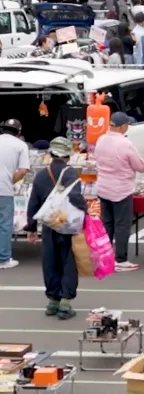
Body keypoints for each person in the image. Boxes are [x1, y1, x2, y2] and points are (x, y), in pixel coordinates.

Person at [23, 137, 85, 318]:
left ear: (50, 154)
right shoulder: (71, 173)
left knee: (50, 261)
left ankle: (52, 301)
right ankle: (65, 303)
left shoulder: (41, 175)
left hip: (49, 225)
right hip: (67, 225)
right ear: (67, 155)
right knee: (68, 262)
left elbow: (33, 201)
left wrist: (31, 227)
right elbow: (75, 198)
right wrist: (85, 212)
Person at [93, 112, 144, 272]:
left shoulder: (101, 139)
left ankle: (105, 257)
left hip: (103, 187)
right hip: (121, 189)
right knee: (122, 224)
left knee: (107, 223)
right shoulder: (125, 143)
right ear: (123, 126)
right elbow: (138, 164)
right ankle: (120, 259)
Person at [0, 119, 29, 270]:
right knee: (4, 225)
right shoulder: (20, 145)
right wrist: (10, 181)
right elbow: (23, 170)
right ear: (18, 132)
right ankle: (3, 259)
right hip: (4, 190)